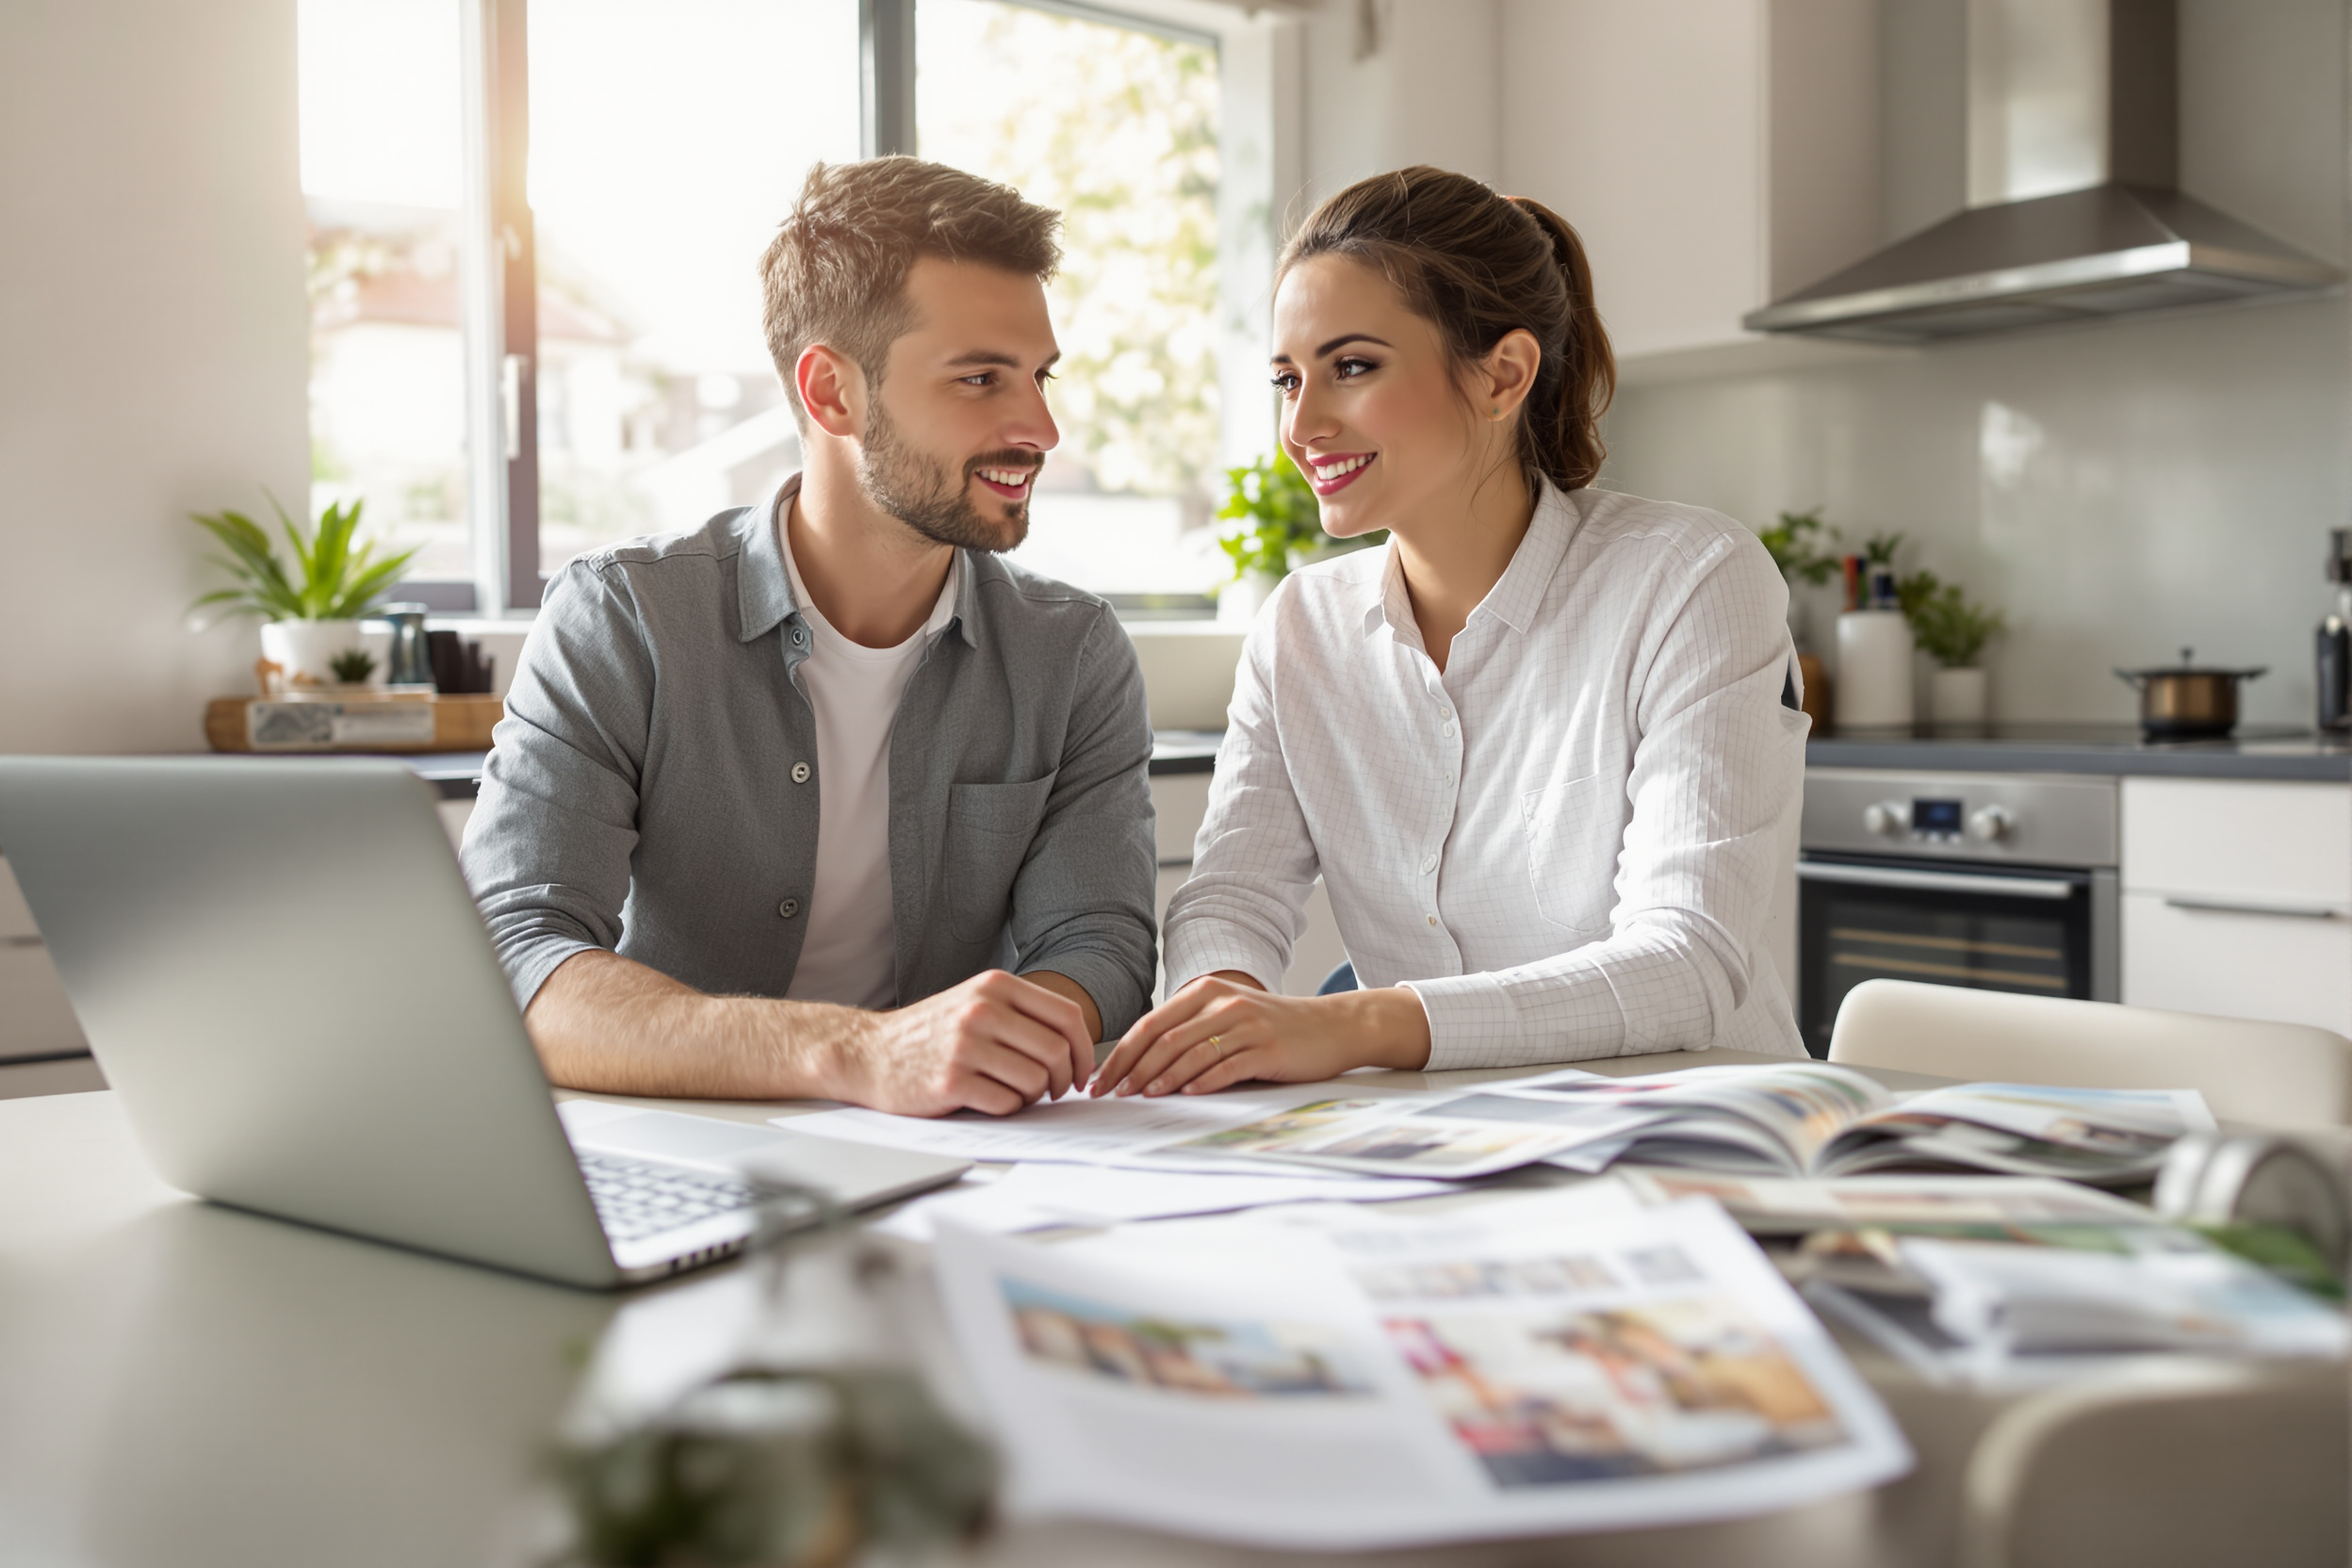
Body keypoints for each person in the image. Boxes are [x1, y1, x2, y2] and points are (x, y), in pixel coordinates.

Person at [1093, 165, 1806, 1101]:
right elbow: (1233, 895)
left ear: (1504, 374)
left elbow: (1686, 962)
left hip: (1695, 1133)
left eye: (1352, 367)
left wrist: (1350, 1021)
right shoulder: (1300, 628)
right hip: (1443, 1145)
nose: (1302, 424)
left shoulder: (1690, 579)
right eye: (1286, 378)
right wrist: (1220, 1007)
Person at [464, 157, 1157, 1117]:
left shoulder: (1072, 653)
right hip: (681, 1140)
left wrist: (1000, 1043)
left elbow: (1100, 942)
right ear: (832, 392)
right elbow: (515, 950)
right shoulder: (624, 620)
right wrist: (858, 1052)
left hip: (951, 1154)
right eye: (980, 377)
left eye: (1039, 377)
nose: (1039, 425)